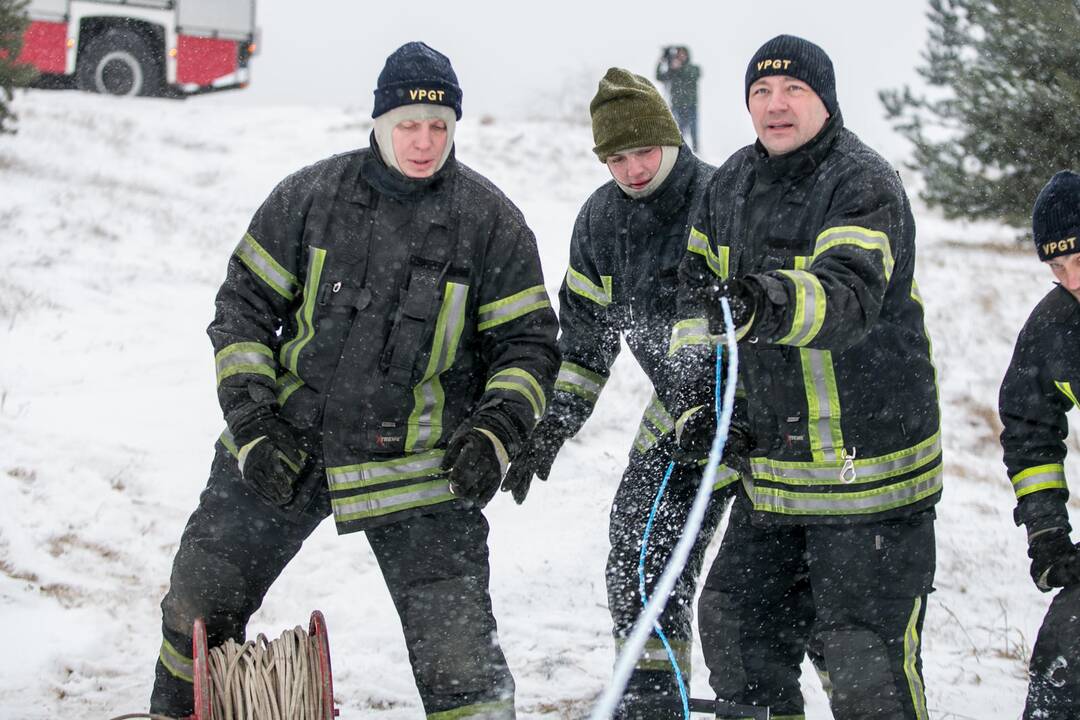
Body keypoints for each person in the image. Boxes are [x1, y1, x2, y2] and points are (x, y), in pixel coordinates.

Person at [148, 41, 559, 720]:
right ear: (377, 123)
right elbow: (241, 313)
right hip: (289, 447)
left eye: (439, 127)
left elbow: (529, 346)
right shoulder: (309, 199)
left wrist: (495, 431)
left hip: (424, 471)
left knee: (462, 667)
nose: (423, 142)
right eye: (407, 125)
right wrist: (254, 427)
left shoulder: (491, 223)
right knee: (196, 605)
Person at [671, 34, 941, 718]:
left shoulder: (862, 182)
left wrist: (762, 301)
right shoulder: (728, 184)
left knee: (863, 660)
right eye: (761, 92)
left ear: (824, 99)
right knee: (735, 630)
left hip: (868, 479)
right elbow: (691, 312)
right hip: (775, 481)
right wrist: (697, 409)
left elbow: (846, 294)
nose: (775, 105)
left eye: (793, 89)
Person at [500, 68, 737, 719]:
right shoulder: (601, 222)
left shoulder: (721, 197)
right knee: (639, 545)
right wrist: (550, 425)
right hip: (677, 411)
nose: (632, 169)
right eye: (616, 157)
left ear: (670, 139)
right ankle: (652, 695)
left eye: (643, 151)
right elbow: (584, 346)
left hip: (758, 406)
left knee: (762, 592)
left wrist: (720, 407)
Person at [999, 170, 1080, 719]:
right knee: (1062, 662)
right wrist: (1048, 529)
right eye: (1058, 267)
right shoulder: (1058, 324)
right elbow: (1028, 427)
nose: (1073, 280)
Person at [655, 46, 701, 153]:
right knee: (678, 133)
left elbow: (693, 74)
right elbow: (658, 76)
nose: (680, 57)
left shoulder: (693, 68)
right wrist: (661, 62)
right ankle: (680, 153)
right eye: (678, 54)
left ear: (687, 55)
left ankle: (697, 153)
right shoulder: (673, 71)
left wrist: (678, 67)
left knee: (693, 133)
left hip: (691, 106)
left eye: (682, 54)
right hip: (677, 106)